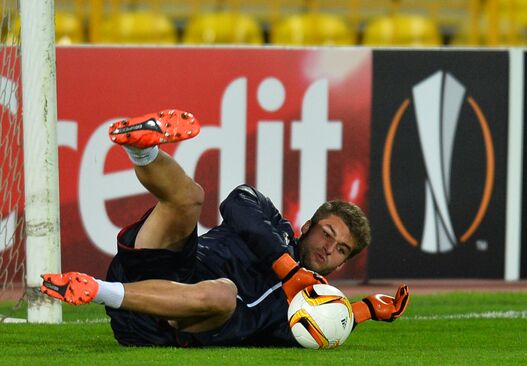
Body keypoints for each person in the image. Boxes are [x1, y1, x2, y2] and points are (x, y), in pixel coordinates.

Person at [41, 109, 409, 348]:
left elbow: (323, 328)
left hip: (171, 324)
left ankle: (95, 291)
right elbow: (235, 203)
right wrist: (287, 267)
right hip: (170, 265)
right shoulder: (271, 222)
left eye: (341, 249)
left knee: (222, 295)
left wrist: (363, 311)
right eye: (327, 234)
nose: (329, 248)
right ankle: (142, 150)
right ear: (307, 225)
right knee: (189, 198)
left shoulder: (303, 306)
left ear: (341, 266)